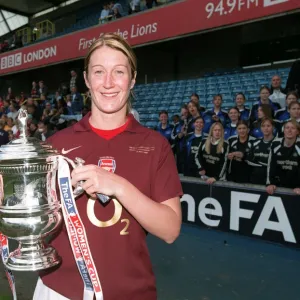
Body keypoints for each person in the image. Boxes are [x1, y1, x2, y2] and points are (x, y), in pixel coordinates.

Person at [34, 33, 182, 300]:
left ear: (133, 79)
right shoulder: (56, 144)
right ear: (87, 80)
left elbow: (170, 230)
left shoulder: (155, 146)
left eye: (119, 72)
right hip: (58, 290)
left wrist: (119, 186)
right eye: (99, 72)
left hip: (129, 292)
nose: (109, 83)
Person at [266, 120, 300, 195]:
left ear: (297, 132)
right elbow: (270, 165)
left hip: (296, 188)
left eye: (293, 128)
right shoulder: (275, 143)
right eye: (287, 128)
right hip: (278, 186)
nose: (289, 130)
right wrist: (270, 183)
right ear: (283, 130)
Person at [247, 118, 275, 185]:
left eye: (268, 126)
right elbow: (249, 161)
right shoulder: (255, 142)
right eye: (263, 126)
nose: (266, 128)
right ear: (261, 128)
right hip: (255, 180)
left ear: (273, 127)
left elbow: (276, 164)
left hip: (272, 182)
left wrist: (259, 163)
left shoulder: (277, 143)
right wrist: (264, 165)